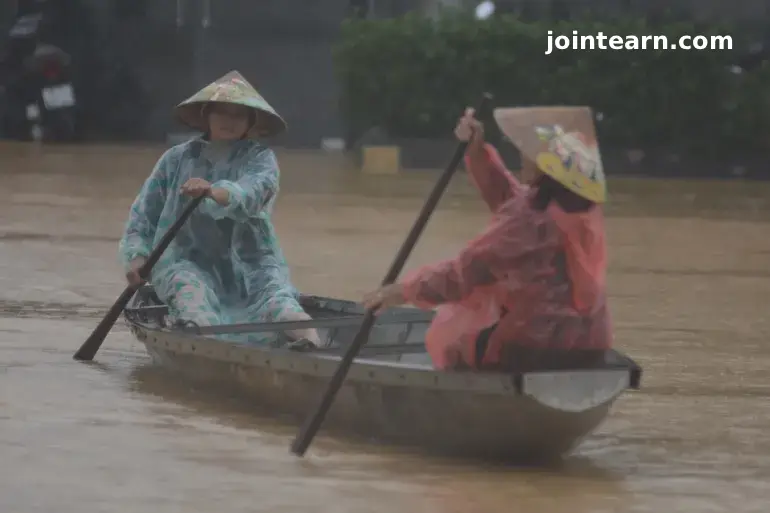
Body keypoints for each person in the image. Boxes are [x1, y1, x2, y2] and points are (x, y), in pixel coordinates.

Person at [363, 106, 611, 371]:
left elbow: (463, 274)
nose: (522, 156)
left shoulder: (528, 220)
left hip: (531, 347)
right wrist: (477, 152)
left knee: (456, 333)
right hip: (592, 343)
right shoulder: (582, 210)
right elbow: (513, 203)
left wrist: (404, 290)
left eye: (530, 153)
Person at [119, 70, 321, 347]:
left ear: (250, 122)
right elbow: (144, 216)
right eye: (221, 112)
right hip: (185, 262)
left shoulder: (260, 158)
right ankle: (208, 348)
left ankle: (313, 348)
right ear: (207, 115)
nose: (229, 121)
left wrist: (214, 191)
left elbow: (254, 191)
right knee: (193, 303)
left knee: (282, 307)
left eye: (238, 115)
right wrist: (137, 259)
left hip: (252, 263)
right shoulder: (176, 159)